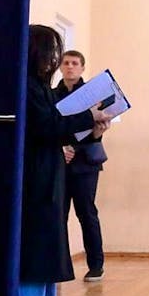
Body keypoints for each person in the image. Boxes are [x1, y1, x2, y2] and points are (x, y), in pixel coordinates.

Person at [19, 26, 110, 296]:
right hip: (35, 173)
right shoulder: (27, 86)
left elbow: (59, 129)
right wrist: (88, 117)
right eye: (53, 52)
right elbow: (47, 126)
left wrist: (93, 127)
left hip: (51, 171)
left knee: (49, 245)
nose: (58, 60)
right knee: (36, 246)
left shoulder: (41, 87)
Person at [54, 50, 110, 282]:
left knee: (86, 213)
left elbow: (94, 129)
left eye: (75, 63)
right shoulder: (52, 94)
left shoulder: (91, 95)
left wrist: (96, 134)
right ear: (60, 67)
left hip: (85, 163)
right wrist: (61, 148)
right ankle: (59, 265)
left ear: (82, 68)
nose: (70, 67)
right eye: (66, 63)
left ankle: (96, 265)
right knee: (58, 215)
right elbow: (51, 124)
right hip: (58, 161)